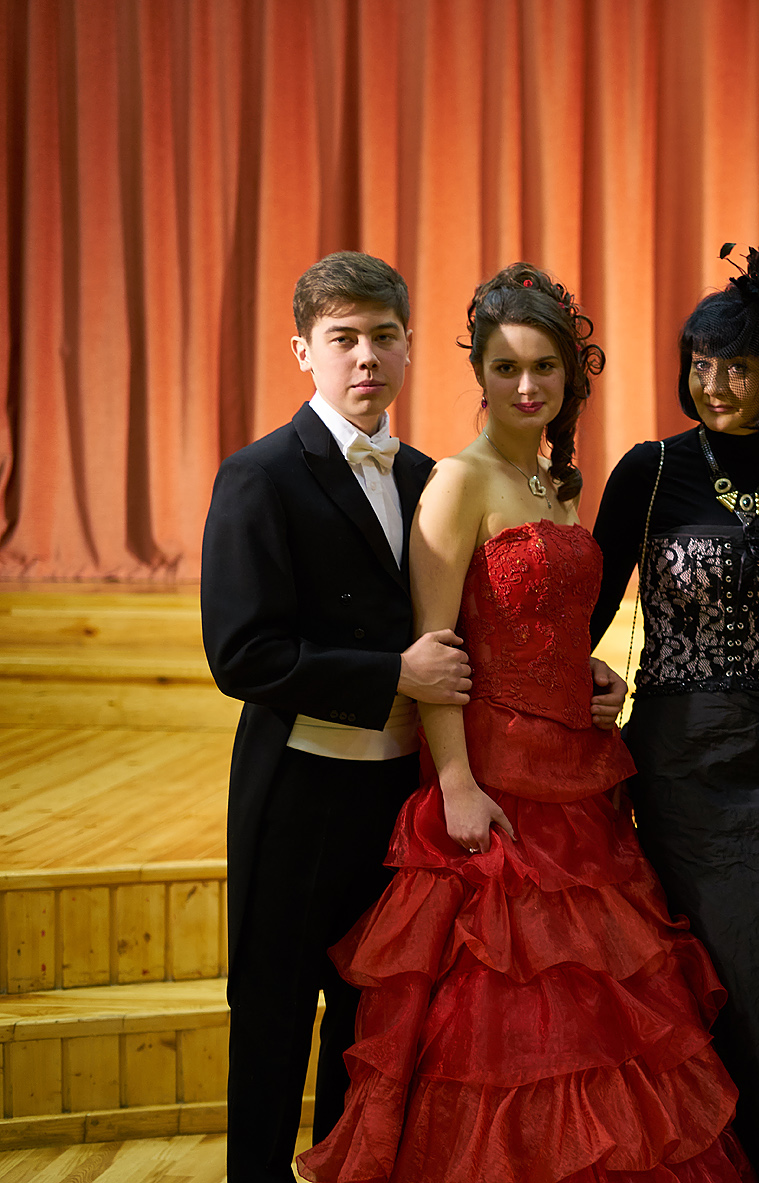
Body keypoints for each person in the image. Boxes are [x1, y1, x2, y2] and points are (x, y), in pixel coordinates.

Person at [298, 264, 750, 1183]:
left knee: (599, 1017)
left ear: (569, 377)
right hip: (497, 787)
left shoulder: (554, 485)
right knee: (505, 1021)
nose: (527, 385)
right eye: (505, 367)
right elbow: (435, 650)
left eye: (544, 366)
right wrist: (457, 784)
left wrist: (590, 670)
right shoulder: (458, 482)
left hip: (580, 777)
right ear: (480, 374)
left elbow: (541, 621)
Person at [202, 251, 469, 1183]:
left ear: (409, 348)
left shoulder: (429, 475)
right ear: (302, 351)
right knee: (272, 1021)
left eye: (384, 337)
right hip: (297, 795)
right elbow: (242, 655)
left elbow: (466, 628)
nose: (366, 357)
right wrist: (391, 671)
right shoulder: (260, 474)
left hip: (397, 801)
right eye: (343, 338)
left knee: (369, 1029)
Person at [588, 247, 759, 1183]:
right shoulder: (649, 472)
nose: (716, 384)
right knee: (706, 970)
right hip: (681, 759)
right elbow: (585, 611)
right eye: (701, 363)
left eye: (737, 366)